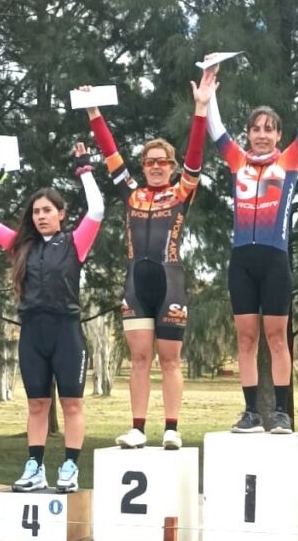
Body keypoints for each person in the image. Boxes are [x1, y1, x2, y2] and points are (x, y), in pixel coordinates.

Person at [85, 69, 218, 449]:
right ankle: (138, 429)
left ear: (173, 167)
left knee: (170, 360)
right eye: (149, 161)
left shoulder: (181, 192)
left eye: (162, 161)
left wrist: (200, 109)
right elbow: (110, 155)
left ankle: (172, 427)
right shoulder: (131, 193)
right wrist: (94, 111)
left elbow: (196, 156)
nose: (156, 166)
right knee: (140, 360)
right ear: (143, 166)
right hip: (135, 284)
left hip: (170, 280)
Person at [206, 50, 298, 433]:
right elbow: (215, 129)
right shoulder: (235, 160)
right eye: (256, 129)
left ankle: (281, 412)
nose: (261, 135)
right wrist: (210, 86)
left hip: (275, 260)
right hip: (242, 260)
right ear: (248, 133)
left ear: (278, 135)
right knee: (246, 338)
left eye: (269, 129)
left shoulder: (291, 160)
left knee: (277, 338)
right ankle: (250, 412)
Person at [0, 143, 104, 492]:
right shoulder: (21, 245)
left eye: (48, 210)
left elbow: (96, 209)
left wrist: (85, 170)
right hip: (33, 333)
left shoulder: (75, 243)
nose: (41, 216)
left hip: (66, 332)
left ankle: (70, 466)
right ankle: (34, 467)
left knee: (72, 403)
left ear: (61, 214)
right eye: (36, 211)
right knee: (37, 403)